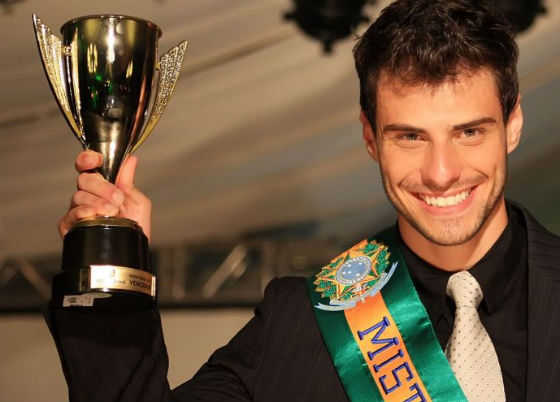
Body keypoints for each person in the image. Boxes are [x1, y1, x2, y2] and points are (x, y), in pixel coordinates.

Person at [49, 0, 560, 401]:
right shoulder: (301, 321)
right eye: (410, 137)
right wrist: (110, 269)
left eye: (469, 132)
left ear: (513, 124)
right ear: (370, 137)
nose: (441, 173)